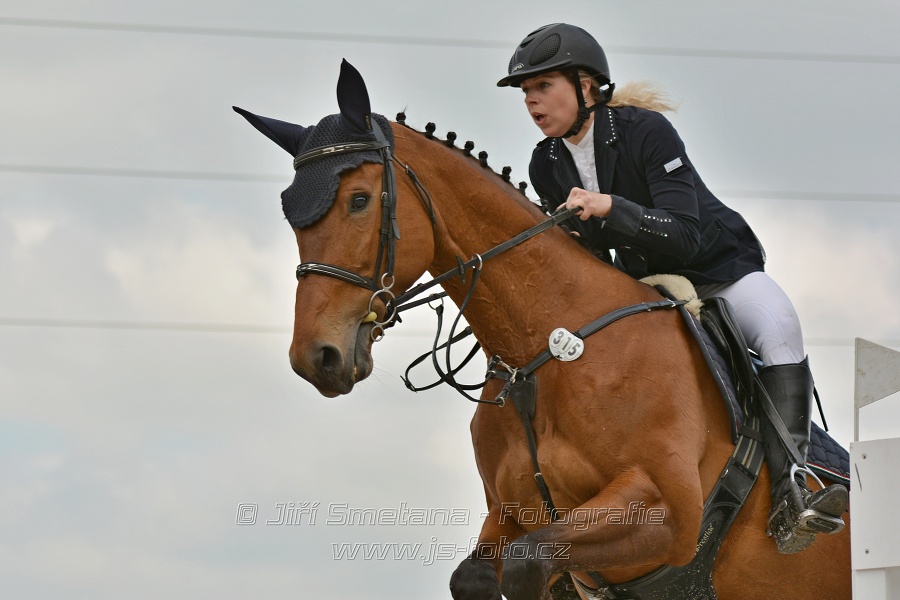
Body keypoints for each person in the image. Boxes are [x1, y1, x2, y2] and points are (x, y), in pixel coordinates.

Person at [497, 22, 848, 554]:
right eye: (526, 93)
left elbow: (683, 234)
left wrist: (611, 207)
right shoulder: (544, 163)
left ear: (586, 85)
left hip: (717, 270)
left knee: (780, 326)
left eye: (542, 87)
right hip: (646, 291)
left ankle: (793, 488)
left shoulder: (645, 131)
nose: (532, 102)